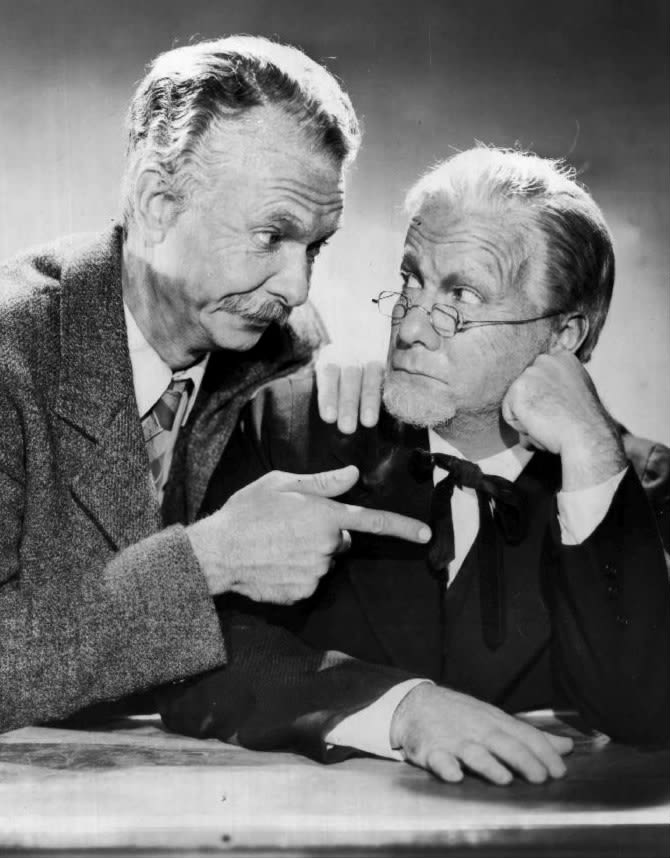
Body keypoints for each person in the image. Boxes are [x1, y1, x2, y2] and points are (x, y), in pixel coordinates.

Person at [160, 147, 670, 786]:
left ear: (564, 336)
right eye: (411, 282)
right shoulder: (294, 430)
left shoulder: (636, 483)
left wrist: (593, 456)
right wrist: (400, 708)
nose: (411, 328)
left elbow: (647, 711)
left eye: (461, 296)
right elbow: (192, 657)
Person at [0, 36, 432, 733]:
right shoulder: (11, 354)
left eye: (315, 246)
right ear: (157, 202)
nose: (297, 288)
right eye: (270, 236)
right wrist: (207, 561)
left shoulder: (280, 348)